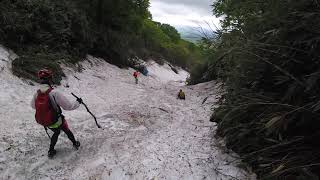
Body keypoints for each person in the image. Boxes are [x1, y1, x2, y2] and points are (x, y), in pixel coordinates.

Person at [31, 68, 81, 158]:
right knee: (65, 128)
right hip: (55, 120)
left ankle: (51, 151)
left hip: (44, 121)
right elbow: (68, 106)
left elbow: (33, 106)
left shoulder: (37, 94)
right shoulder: (54, 93)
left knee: (56, 132)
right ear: (50, 80)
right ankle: (75, 143)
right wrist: (78, 102)